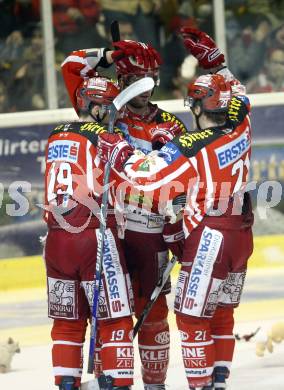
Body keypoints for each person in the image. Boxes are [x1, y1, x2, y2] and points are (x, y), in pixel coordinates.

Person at [97, 28, 254, 390]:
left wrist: (114, 146)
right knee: (222, 312)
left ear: (200, 108)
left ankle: (201, 386)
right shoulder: (242, 129)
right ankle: (218, 381)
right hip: (242, 238)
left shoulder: (191, 146)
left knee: (190, 317)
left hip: (209, 238)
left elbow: (144, 178)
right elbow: (239, 96)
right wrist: (217, 64)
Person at [61, 39, 186, 390]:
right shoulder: (105, 109)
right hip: (109, 227)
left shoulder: (172, 125)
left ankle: (155, 385)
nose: (144, 88)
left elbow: (180, 180)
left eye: (151, 78)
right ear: (123, 79)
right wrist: (107, 55)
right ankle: (108, 379)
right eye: (135, 78)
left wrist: (168, 154)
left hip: (150, 231)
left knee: (154, 313)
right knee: (106, 311)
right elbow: (71, 66)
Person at [43, 75, 135, 390]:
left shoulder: (56, 134)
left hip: (55, 242)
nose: (116, 115)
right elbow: (135, 181)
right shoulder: (108, 139)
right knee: (115, 318)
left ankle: (67, 384)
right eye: (111, 108)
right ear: (98, 108)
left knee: (67, 323)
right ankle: (119, 384)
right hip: (93, 236)